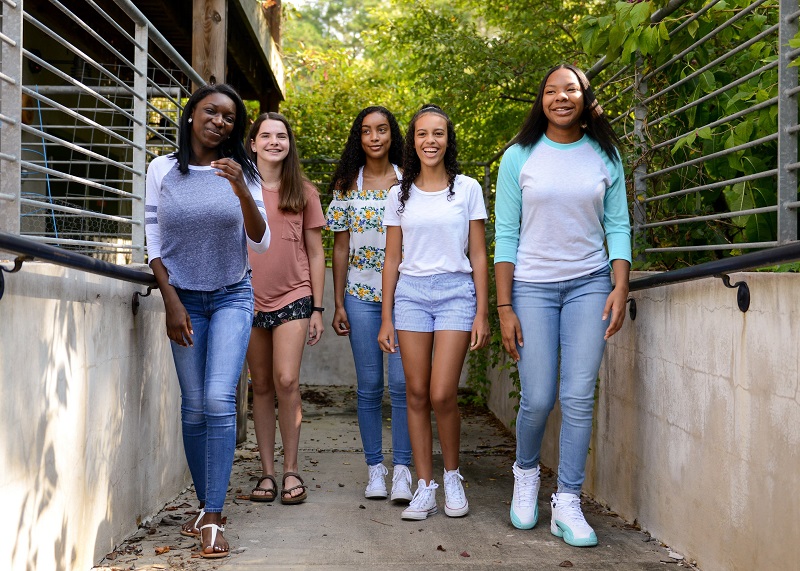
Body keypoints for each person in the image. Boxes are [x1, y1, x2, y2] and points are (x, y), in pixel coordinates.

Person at [494, 64, 631, 547]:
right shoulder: (518, 157)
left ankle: (567, 502)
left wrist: (620, 284)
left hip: (590, 284)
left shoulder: (605, 154)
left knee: (578, 396)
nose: (560, 97)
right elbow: (505, 235)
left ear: (583, 97)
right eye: (551, 90)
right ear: (541, 100)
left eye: (570, 89)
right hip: (531, 286)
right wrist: (504, 306)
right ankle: (526, 472)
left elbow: (618, 225)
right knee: (537, 397)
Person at [145, 83, 269, 558]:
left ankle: (214, 517)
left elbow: (260, 240)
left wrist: (239, 186)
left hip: (232, 295)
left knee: (218, 397)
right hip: (184, 300)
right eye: (211, 112)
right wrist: (170, 301)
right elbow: (153, 237)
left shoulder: (243, 171)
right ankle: (204, 503)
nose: (220, 121)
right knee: (193, 404)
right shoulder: (162, 169)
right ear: (192, 114)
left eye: (229, 118)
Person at [379, 104, 490, 521]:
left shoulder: (467, 188)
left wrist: (482, 312)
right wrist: (387, 316)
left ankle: (452, 476)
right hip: (410, 296)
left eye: (438, 133)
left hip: (456, 294)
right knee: (416, 393)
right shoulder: (398, 194)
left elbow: (478, 254)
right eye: (423, 134)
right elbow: (391, 260)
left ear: (448, 139)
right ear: (413, 141)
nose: (430, 141)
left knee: (443, 394)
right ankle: (424, 487)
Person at [326, 106, 414, 502]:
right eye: (366, 131)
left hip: (405, 296)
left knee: (402, 387)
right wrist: (338, 302)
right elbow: (340, 246)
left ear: (392, 135)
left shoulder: (409, 179)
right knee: (369, 387)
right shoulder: (348, 183)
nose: (374, 137)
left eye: (381, 130)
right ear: (358, 138)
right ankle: (375, 469)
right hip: (359, 298)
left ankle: (403, 472)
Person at [245, 112, 325, 506]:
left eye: (282, 136)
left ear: (289, 144)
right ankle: (267, 473)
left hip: (294, 296)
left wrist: (317, 308)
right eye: (266, 135)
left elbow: (315, 252)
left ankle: (291, 468)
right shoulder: (238, 187)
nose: (274, 141)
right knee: (259, 386)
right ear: (254, 143)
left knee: (286, 380)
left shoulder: (304, 192)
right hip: (245, 298)